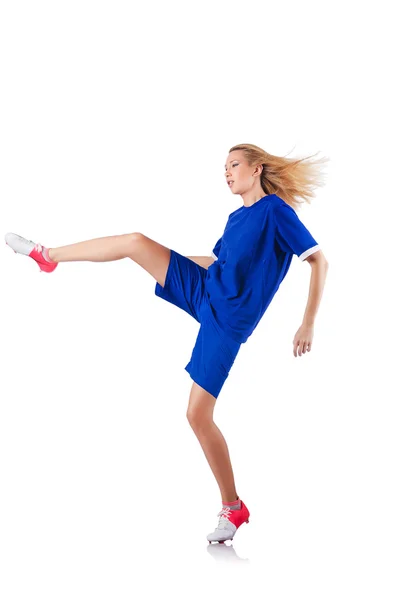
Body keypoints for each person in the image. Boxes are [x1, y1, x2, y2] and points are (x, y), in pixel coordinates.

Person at [5, 142, 329, 545]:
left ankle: (234, 507)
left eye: (233, 165)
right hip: (206, 290)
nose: (227, 173)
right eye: (224, 168)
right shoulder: (235, 218)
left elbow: (318, 260)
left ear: (256, 168)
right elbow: (216, 264)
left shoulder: (276, 212)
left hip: (226, 322)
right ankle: (46, 254)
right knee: (136, 242)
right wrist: (166, 261)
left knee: (197, 415)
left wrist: (308, 322)